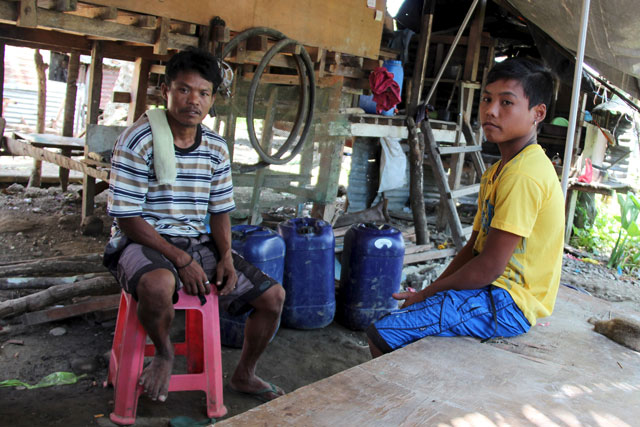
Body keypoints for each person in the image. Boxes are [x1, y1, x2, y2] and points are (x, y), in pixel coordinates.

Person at [104, 48, 286, 402]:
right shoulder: (137, 140)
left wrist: (226, 258)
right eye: (184, 90)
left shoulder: (215, 148)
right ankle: (165, 353)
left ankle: (245, 375)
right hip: (138, 240)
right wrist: (181, 260)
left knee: (273, 297)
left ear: (212, 98)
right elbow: (126, 218)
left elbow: (219, 210)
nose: (194, 101)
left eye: (203, 93)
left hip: (193, 240)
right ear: (165, 91)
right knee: (158, 284)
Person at [367, 57, 564, 357]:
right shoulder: (499, 170)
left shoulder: (524, 174)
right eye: (487, 99)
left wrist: (425, 295)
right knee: (403, 324)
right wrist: (428, 292)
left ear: (537, 113)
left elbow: (489, 266)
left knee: (384, 334)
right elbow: (473, 248)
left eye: (506, 103)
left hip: (509, 303)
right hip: (493, 292)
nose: (490, 110)